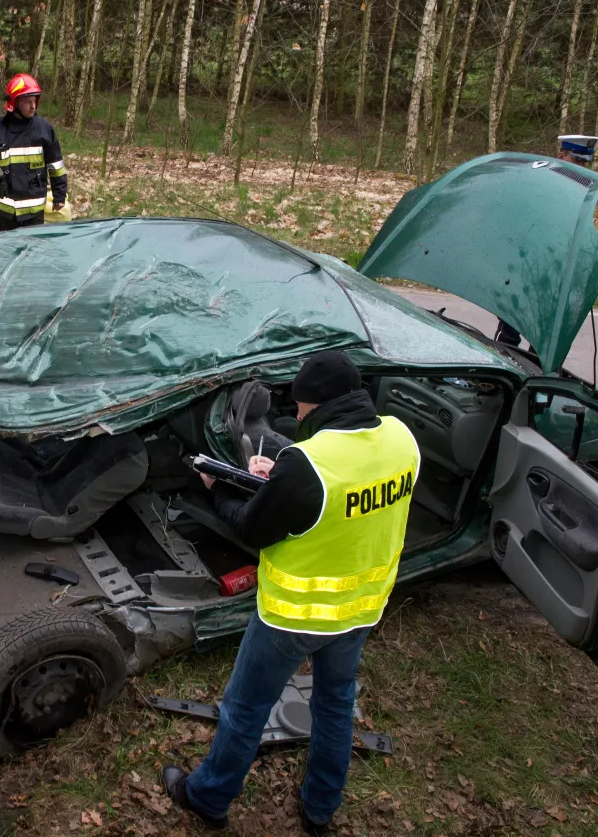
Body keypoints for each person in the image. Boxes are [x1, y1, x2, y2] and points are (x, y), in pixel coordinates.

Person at [161, 352, 420, 835]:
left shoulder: (307, 465)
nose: (297, 417)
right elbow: (347, 500)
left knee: (246, 707)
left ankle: (209, 798)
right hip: (361, 609)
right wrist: (277, 481)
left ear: (318, 405)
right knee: (336, 704)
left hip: (292, 619)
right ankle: (320, 810)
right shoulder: (402, 439)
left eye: (301, 410)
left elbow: (254, 527)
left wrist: (220, 486)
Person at [494, 135, 598, 348]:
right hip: (525, 264)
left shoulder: (584, 191)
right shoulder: (540, 182)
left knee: (544, 335)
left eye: (585, 163)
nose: (582, 167)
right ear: (561, 156)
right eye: (578, 161)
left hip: (555, 269)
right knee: (509, 330)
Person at [0, 72, 67, 230]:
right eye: (28, 101)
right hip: (6, 211)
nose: (33, 106)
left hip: (34, 211)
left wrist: (59, 196)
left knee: (32, 253)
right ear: (14, 103)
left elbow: (56, 166)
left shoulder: (44, 129)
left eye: (34, 100)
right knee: (7, 252)